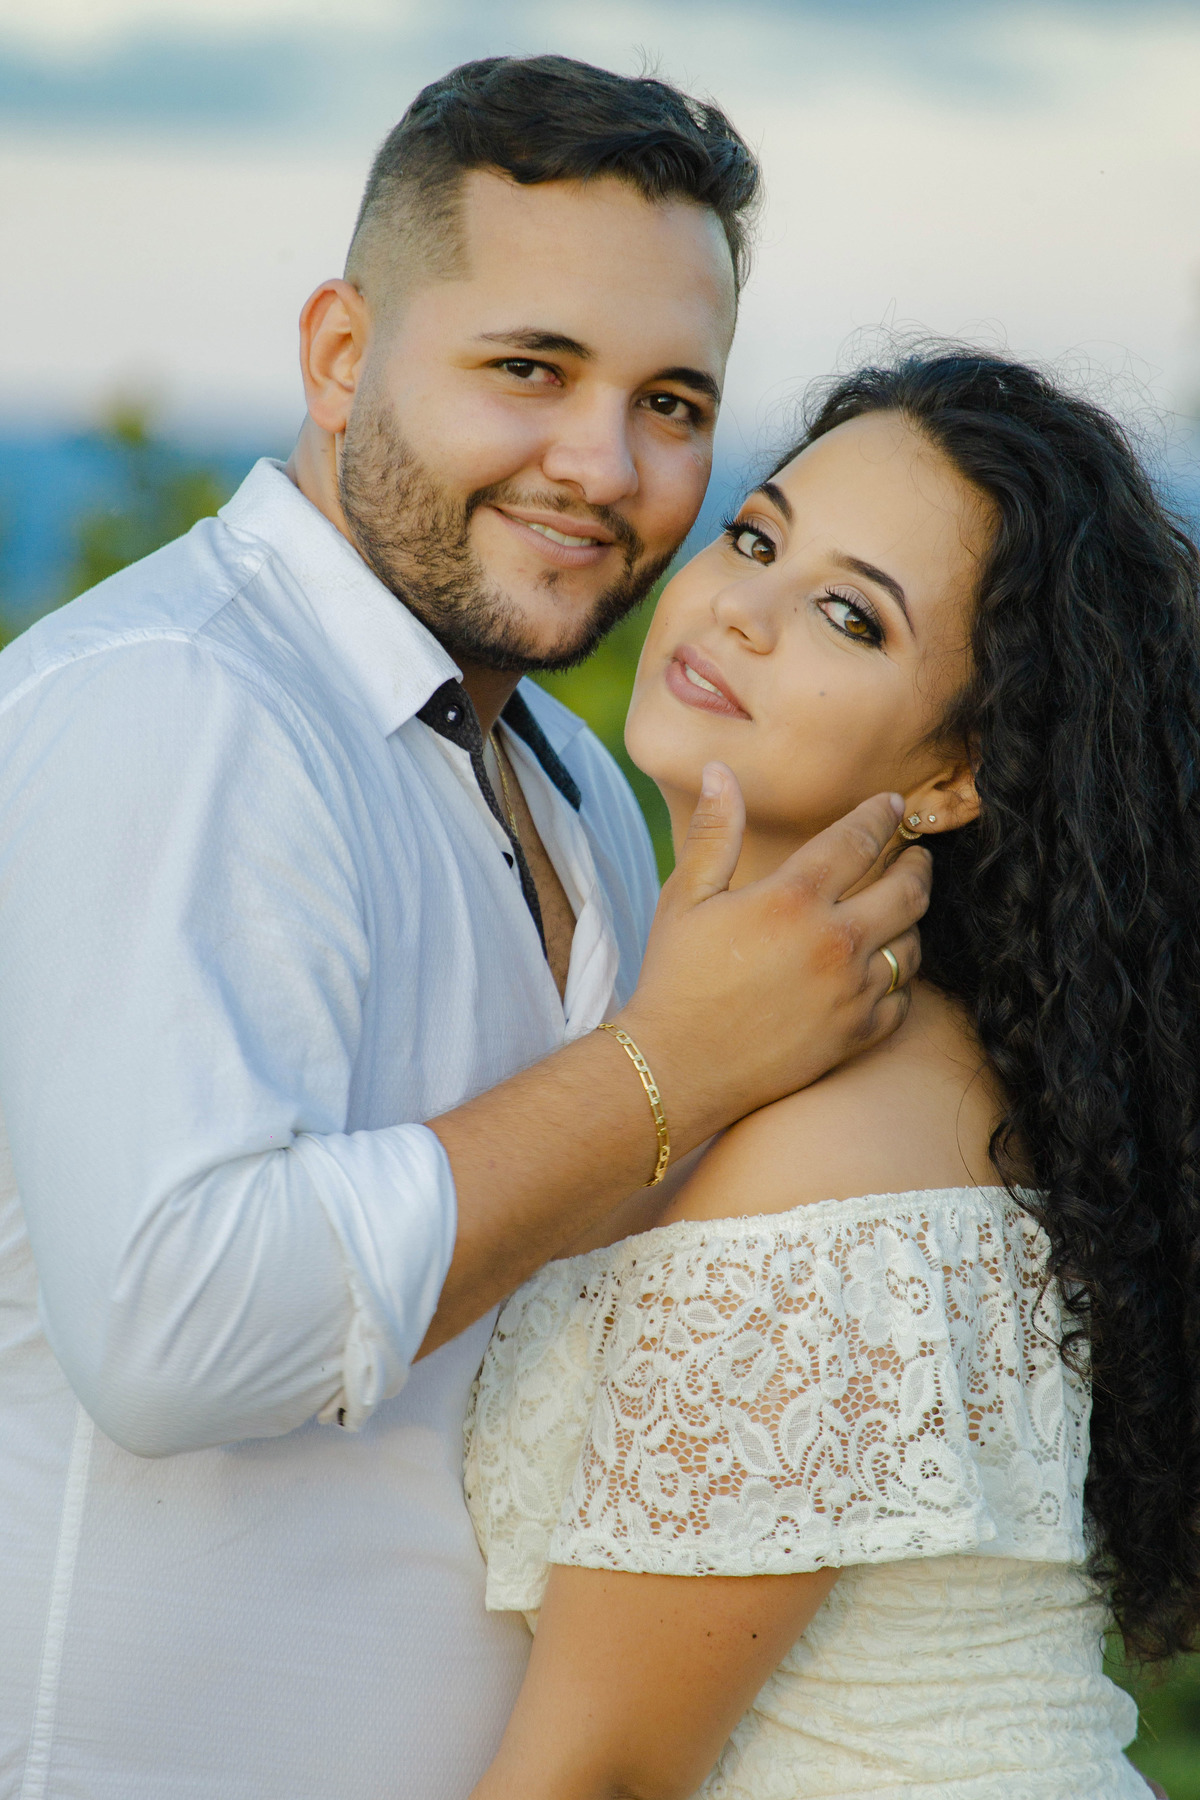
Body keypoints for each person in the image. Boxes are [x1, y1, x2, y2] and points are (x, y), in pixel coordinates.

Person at [0, 56, 932, 1800]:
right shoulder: (182, 702)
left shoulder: (583, 778)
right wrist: (675, 1064)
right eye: (529, 369)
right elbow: (168, 1323)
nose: (602, 465)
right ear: (343, 353)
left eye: (672, 402)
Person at [464, 348, 1200, 1799]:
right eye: (755, 538)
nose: (739, 608)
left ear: (951, 779)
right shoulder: (862, 1064)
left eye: (848, 615)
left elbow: (598, 1774)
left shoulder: (831, 1141)